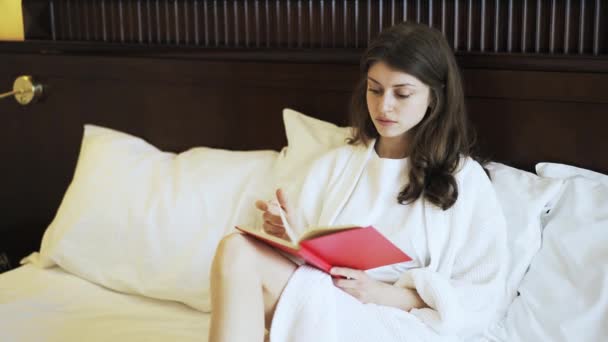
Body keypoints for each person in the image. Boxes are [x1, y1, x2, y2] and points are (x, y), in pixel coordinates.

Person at [209, 22, 508, 342]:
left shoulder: (463, 178)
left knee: (239, 257)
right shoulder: (336, 165)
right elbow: (306, 267)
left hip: (401, 323)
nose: (384, 106)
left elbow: (482, 296)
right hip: (329, 301)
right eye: (375, 89)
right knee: (236, 249)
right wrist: (289, 232)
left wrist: (382, 293)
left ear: (434, 98)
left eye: (402, 94)